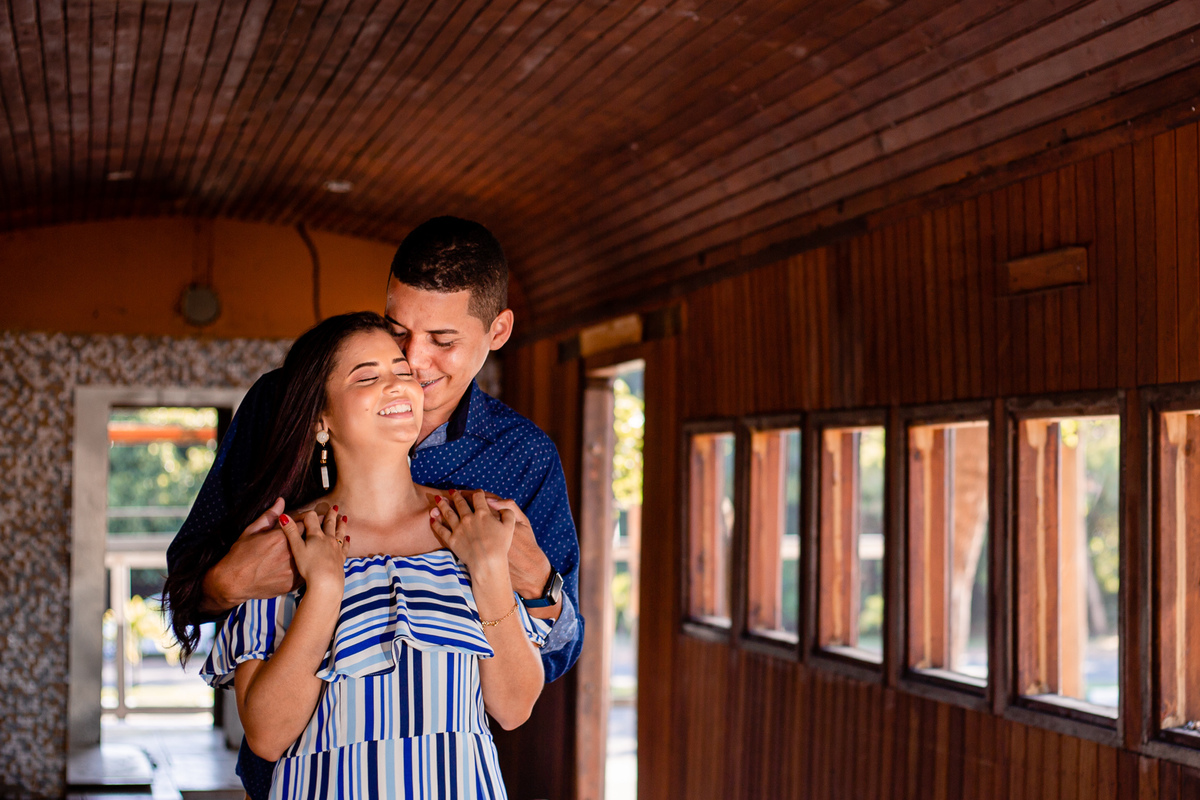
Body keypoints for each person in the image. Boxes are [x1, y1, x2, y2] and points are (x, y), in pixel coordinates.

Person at [164, 217, 582, 799]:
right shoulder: (284, 416)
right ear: (320, 421)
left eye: (441, 341)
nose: (411, 363)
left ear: (498, 331)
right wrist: (227, 584)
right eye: (395, 332)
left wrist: (533, 585)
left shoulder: (519, 462)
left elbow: (548, 662)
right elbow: (189, 584)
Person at [198, 312, 546, 797]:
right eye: (368, 376)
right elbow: (268, 736)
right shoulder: (286, 543)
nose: (397, 385)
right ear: (321, 418)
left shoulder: (474, 525)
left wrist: (488, 570)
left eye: (403, 372)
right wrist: (323, 591)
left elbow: (514, 707)